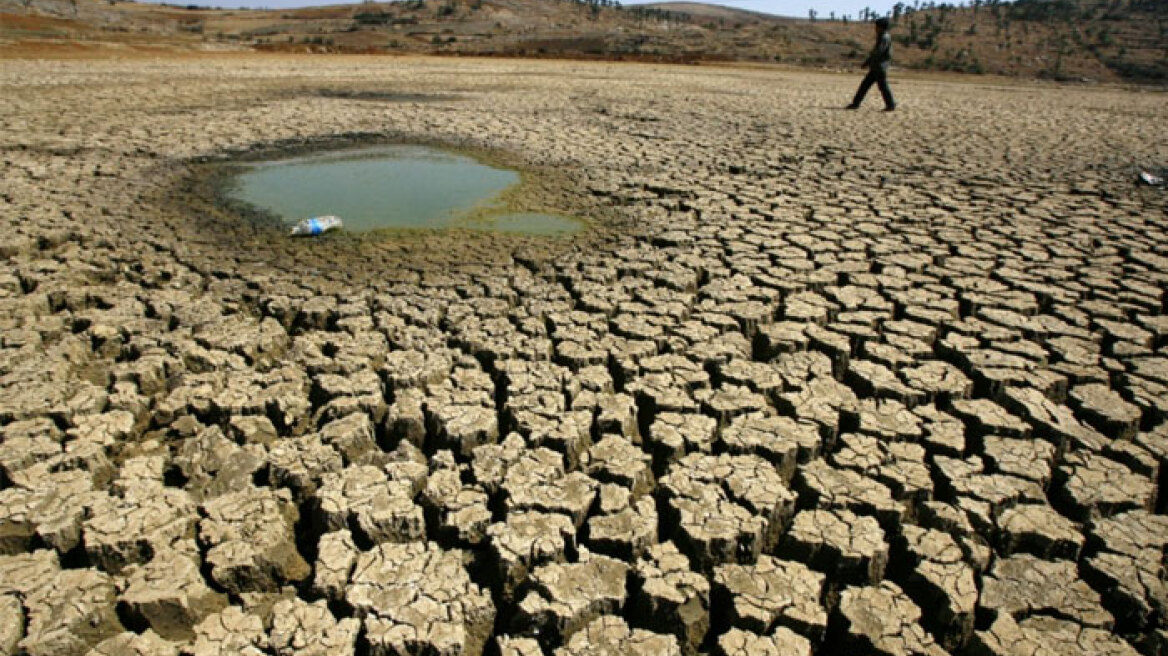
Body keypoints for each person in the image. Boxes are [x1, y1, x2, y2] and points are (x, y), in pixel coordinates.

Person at [847, 17, 896, 111]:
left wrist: (867, 62)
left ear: (881, 27)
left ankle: (891, 105)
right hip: (877, 66)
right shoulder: (884, 36)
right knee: (866, 85)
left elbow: (878, 52)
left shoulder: (884, 37)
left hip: (879, 66)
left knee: (881, 86)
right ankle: (856, 103)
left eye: (877, 26)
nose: (875, 29)